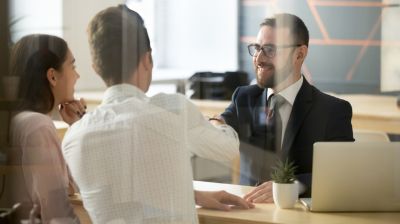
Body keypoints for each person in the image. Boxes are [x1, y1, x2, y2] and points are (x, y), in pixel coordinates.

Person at [62, 5, 253, 224]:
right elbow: (228, 148)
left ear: (96, 67)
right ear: (147, 59)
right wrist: (218, 121)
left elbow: (123, 197)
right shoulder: (172, 109)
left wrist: (194, 196)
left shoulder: (74, 137)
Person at [212, 13, 354, 202]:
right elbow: (221, 123)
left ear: (300, 54)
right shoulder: (244, 97)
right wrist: (215, 123)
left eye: (270, 49)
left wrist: (291, 186)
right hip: (247, 213)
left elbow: (343, 173)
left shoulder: (332, 111)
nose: (259, 58)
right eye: (257, 48)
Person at [6, 34, 86, 223]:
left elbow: (69, 188)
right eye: (72, 66)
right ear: (52, 76)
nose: (77, 75)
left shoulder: (21, 120)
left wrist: (75, 126)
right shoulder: (38, 126)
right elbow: (57, 212)